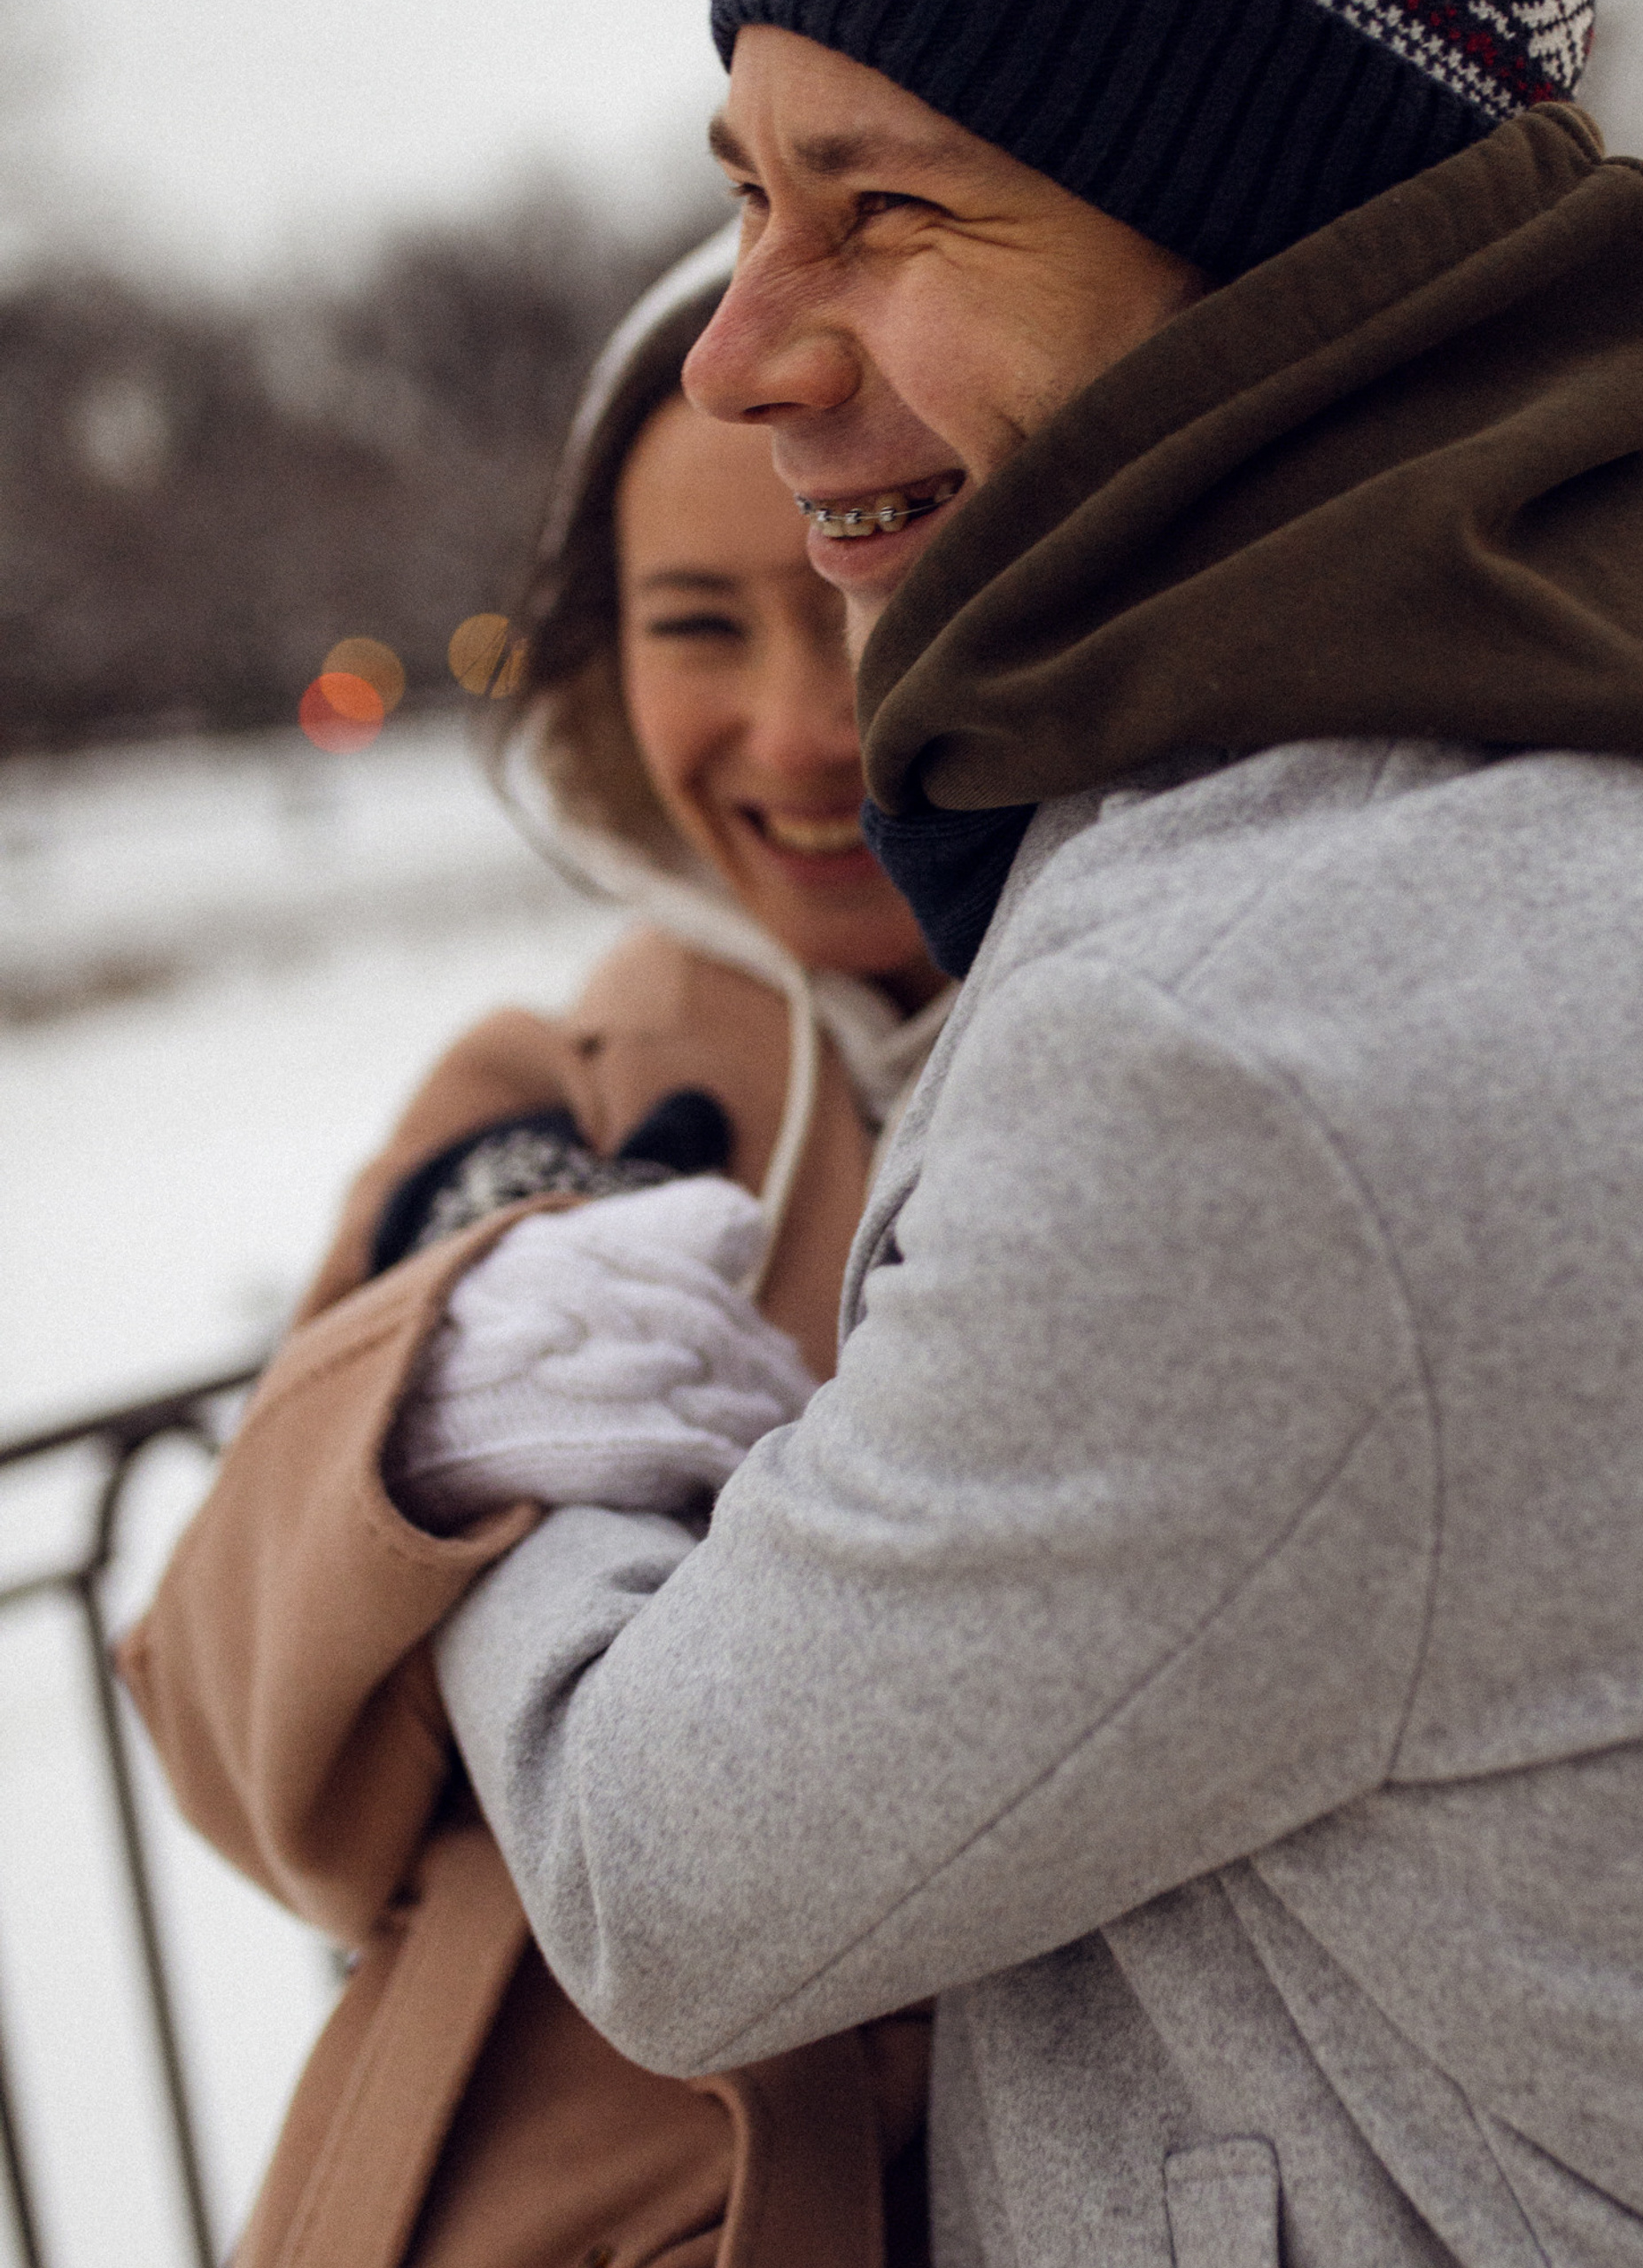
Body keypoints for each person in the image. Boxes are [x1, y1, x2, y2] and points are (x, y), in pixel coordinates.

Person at [306, 10, 1643, 2265]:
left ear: (1263, 235)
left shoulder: (1256, 1021)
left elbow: (661, 1878)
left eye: (883, 209)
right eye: (746, 198)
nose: (739, 352)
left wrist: (517, 1416)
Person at [121, 231, 949, 2268]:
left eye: (859, 587)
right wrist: (417, 1432)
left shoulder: (1177, 1041)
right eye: (696, 625)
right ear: (597, 670)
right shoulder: (543, 1084)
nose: (798, 728)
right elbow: (227, 1747)